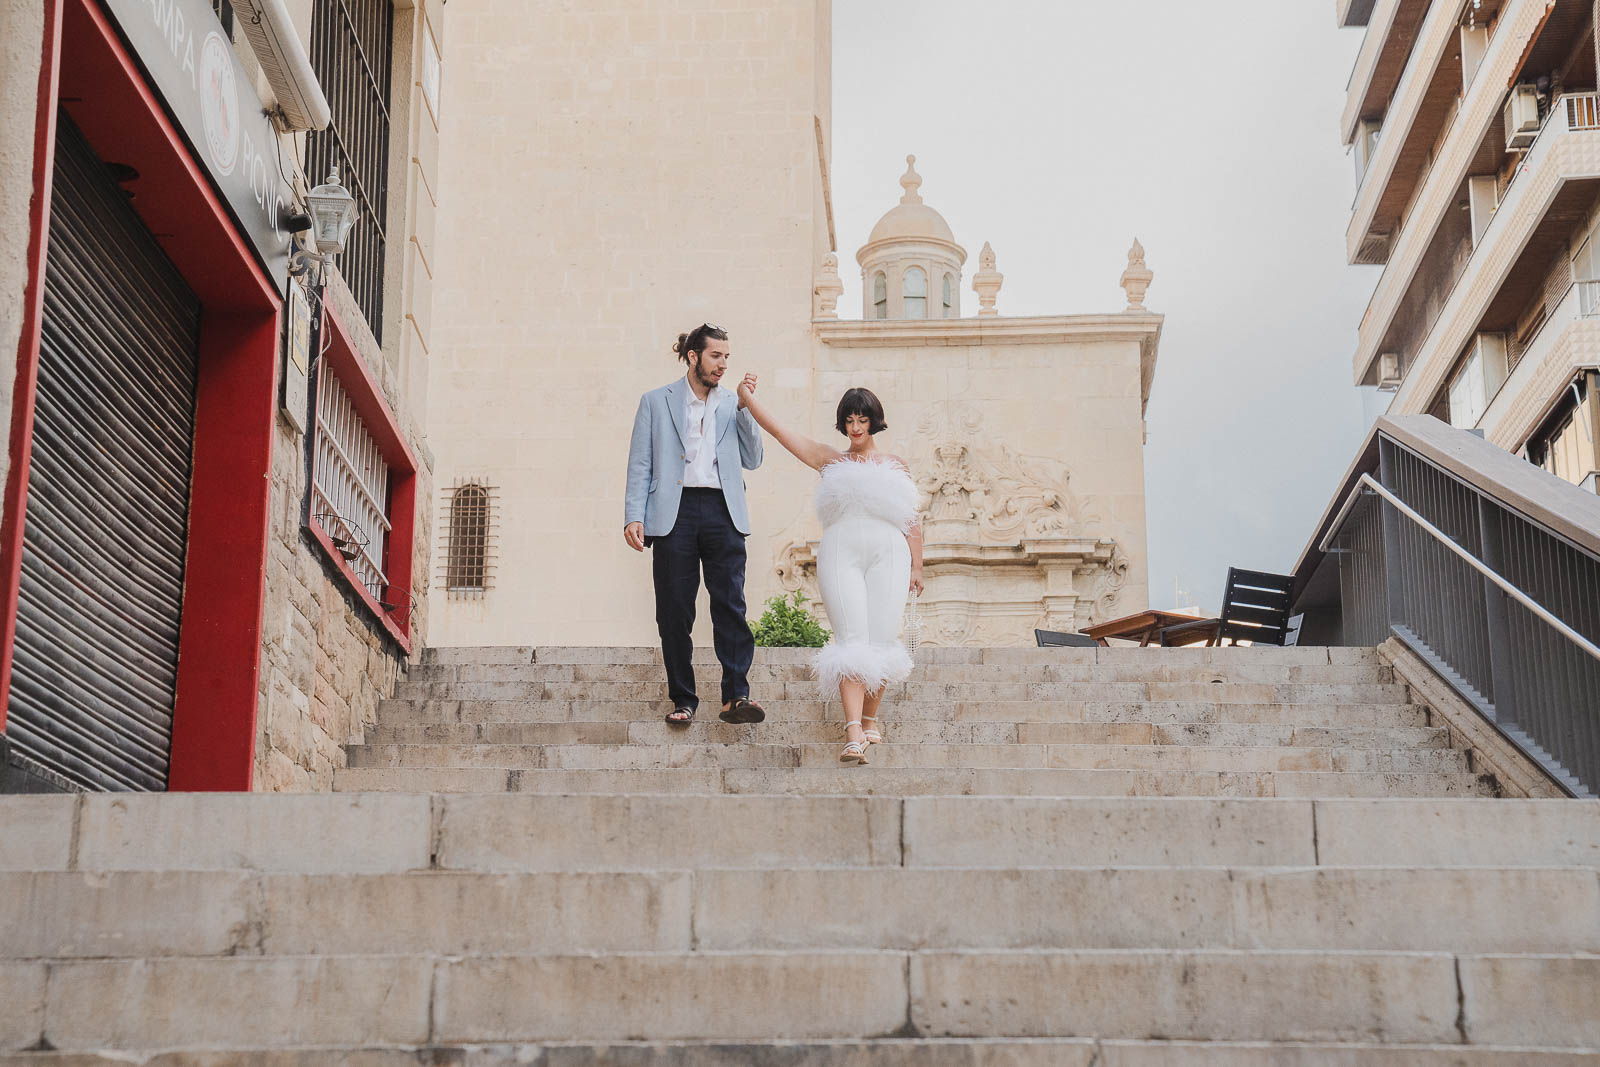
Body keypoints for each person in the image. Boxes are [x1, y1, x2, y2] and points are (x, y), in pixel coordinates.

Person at [734, 381, 923, 764]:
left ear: (874, 421)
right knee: (851, 639)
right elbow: (781, 433)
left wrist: (917, 566)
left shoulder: (896, 465)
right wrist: (747, 399)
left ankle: (869, 719)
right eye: (849, 420)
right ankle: (853, 732)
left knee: (883, 639)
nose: (856, 428)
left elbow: (912, 520)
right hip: (841, 552)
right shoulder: (829, 460)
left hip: (890, 555)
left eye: (862, 420)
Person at [624, 323, 767, 726]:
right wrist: (634, 514)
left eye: (726, 357)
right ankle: (683, 699)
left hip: (724, 509)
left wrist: (746, 408)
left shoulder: (733, 402)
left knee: (731, 604)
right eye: (715, 356)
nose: (722, 364)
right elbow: (640, 461)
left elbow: (754, 458)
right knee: (673, 610)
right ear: (693, 356)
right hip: (674, 512)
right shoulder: (656, 401)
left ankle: (736, 696)